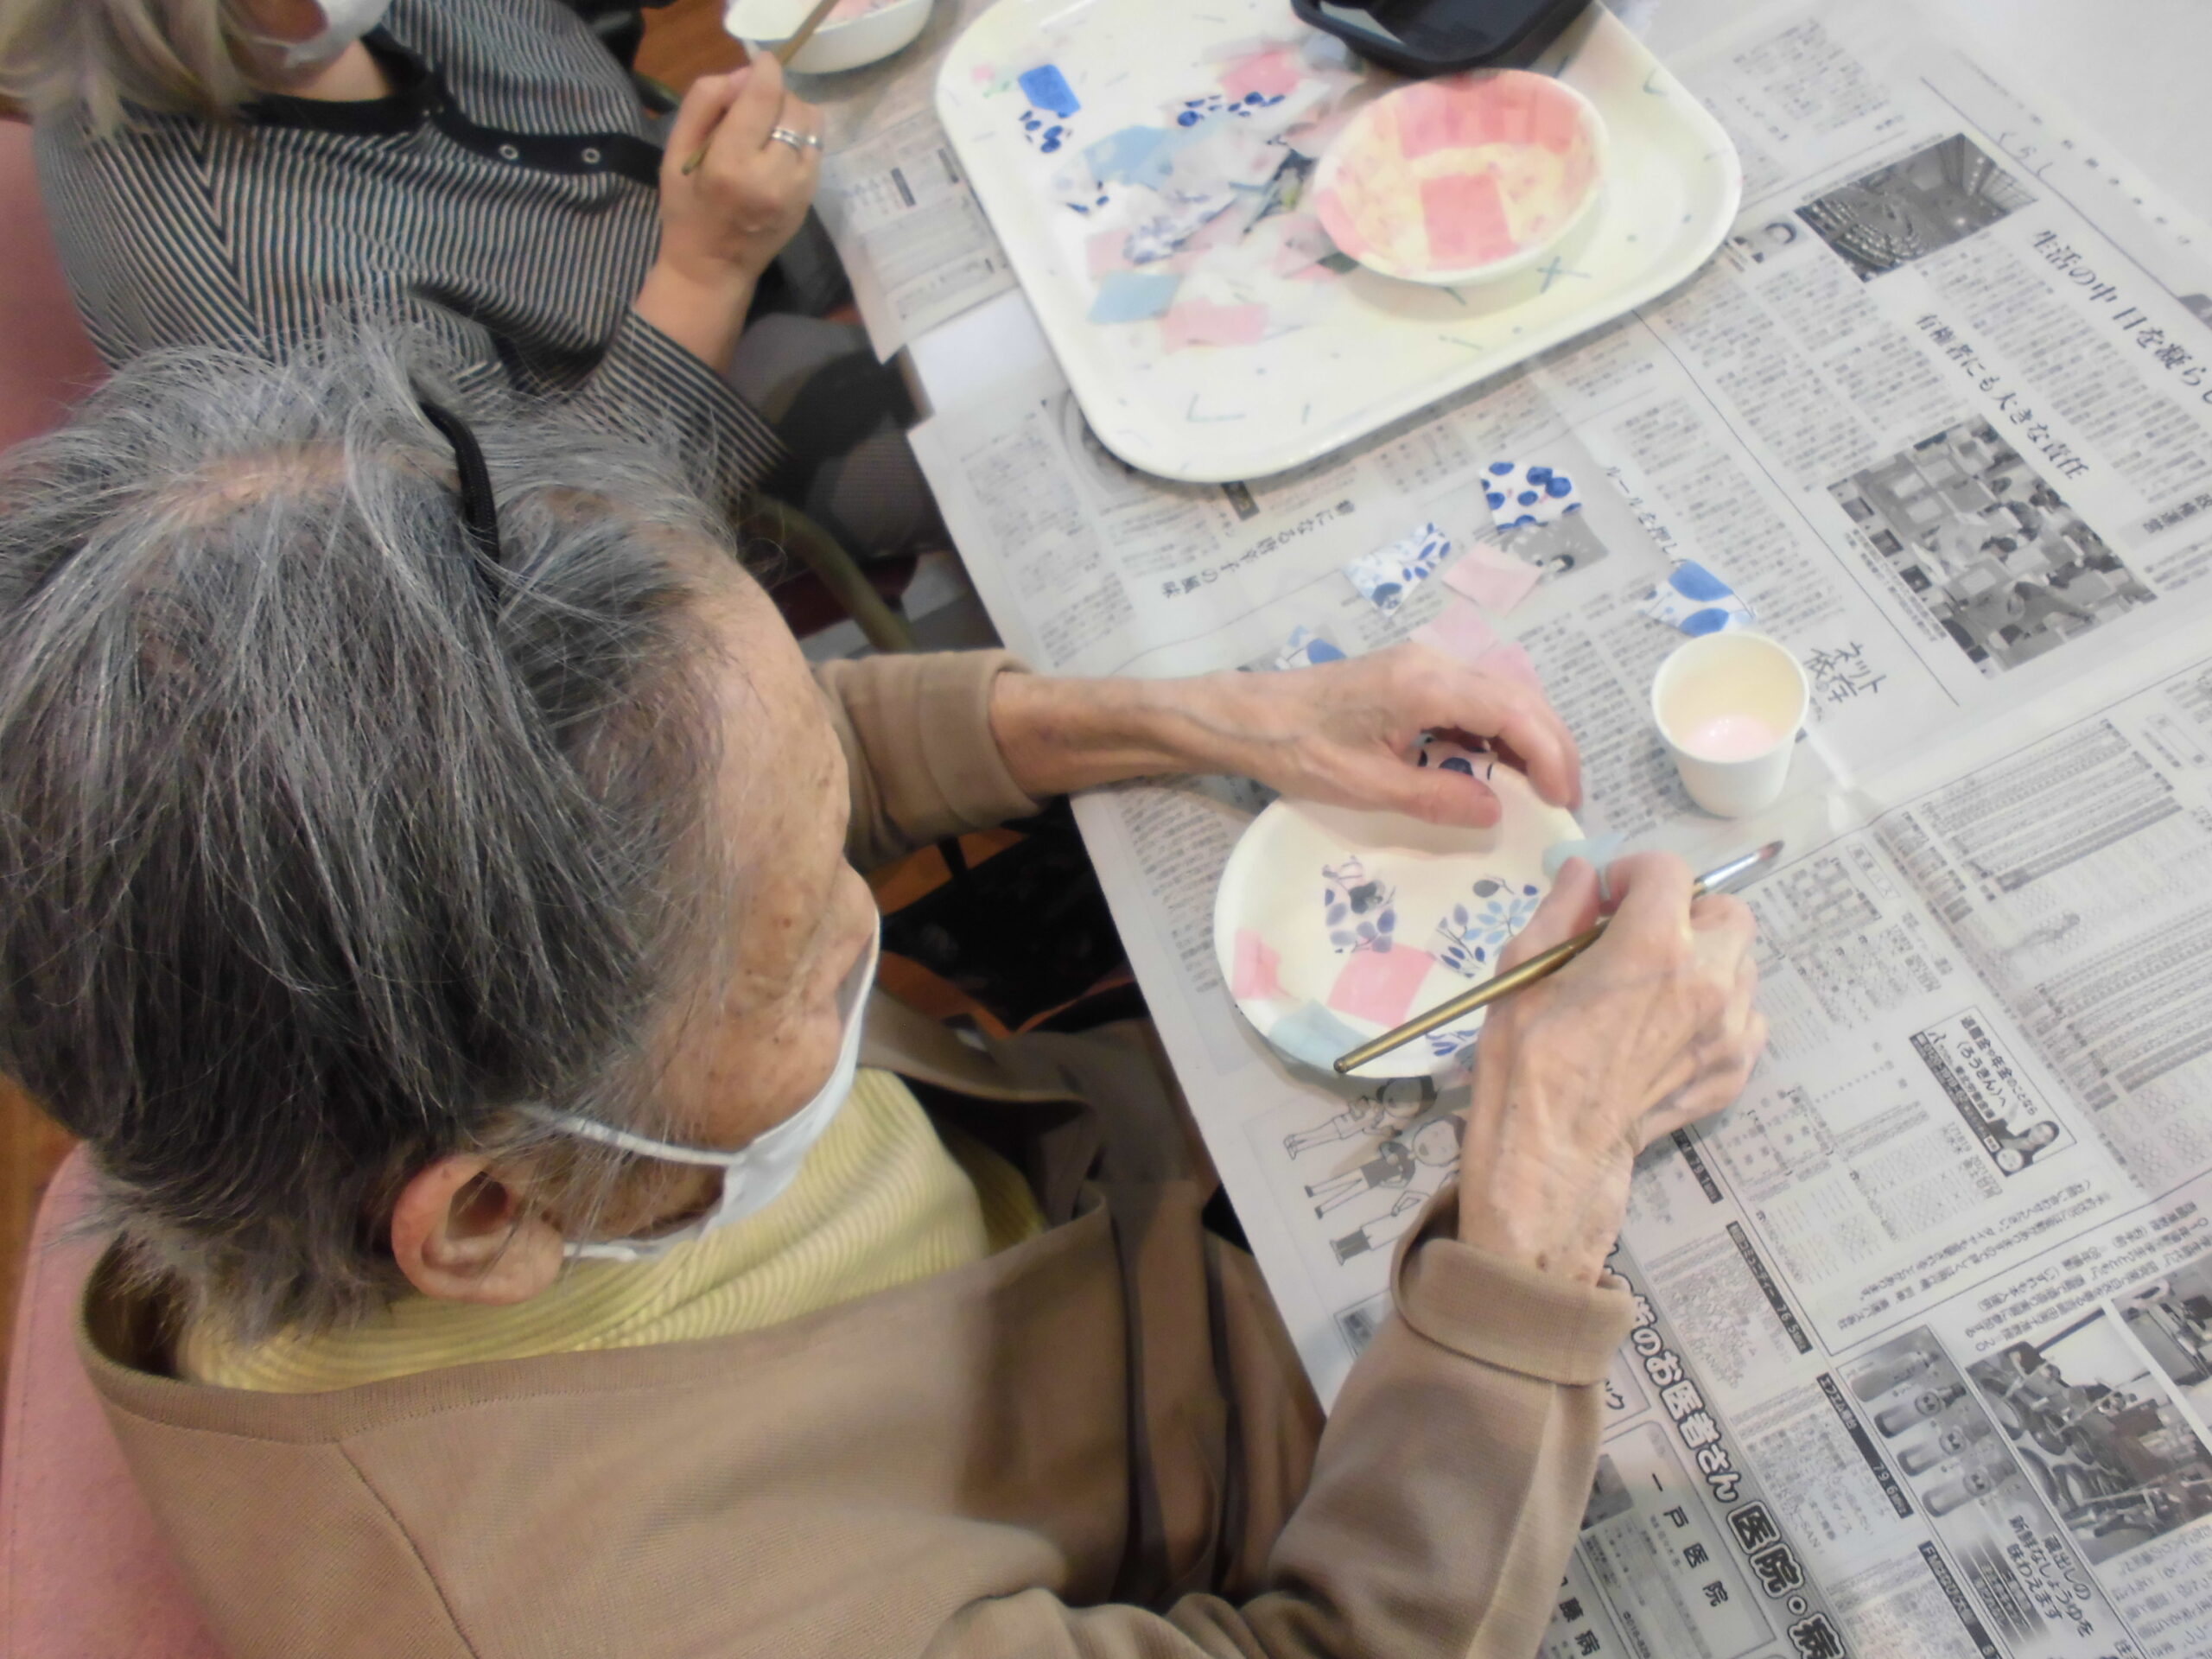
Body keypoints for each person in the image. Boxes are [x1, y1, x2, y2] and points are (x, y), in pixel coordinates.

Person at [0, 338, 1767, 1659]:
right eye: (800, 955)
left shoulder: (274, 1010)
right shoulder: (642, 1614)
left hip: (1090, 1197)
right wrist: (1536, 1207)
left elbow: (730, 776)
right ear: (485, 1217)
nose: (862, 911)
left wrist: (1206, 714)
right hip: (1265, 1483)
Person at [0, 0, 930, 556]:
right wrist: (706, 269)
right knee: (977, 414)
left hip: (677, 207)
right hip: (634, 432)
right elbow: (540, 552)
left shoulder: (292, 32)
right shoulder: (244, 294)